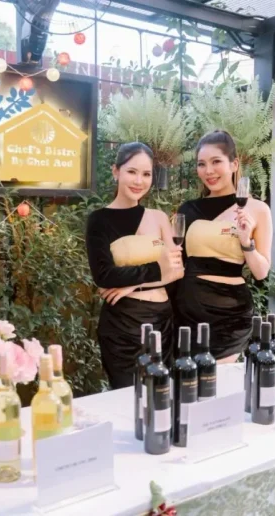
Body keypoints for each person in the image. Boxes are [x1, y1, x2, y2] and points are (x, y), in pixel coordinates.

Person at [86, 142, 183, 389]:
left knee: (162, 395)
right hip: (122, 324)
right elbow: (104, 276)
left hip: (162, 321)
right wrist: (158, 269)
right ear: (116, 171)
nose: (139, 181)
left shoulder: (159, 217)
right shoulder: (99, 220)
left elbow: (177, 270)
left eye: (146, 174)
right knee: (128, 397)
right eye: (132, 171)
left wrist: (132, 285)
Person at [174, 130, 272, 362]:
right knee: (188, 382)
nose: (208, 171)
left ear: (234, 164)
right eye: (201, 164)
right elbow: (174, 264)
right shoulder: (187, 209)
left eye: (216, 161)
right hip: (188, 313)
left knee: (217, 381)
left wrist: (246, 243)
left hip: (230, 316)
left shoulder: (256, 209)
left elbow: (261, 272)